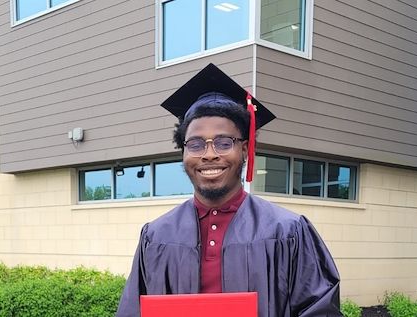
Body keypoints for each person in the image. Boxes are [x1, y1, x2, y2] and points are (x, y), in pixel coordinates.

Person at [116, 64, 341, 316]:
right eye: (196, 144)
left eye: (224, 143)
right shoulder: (156, 236)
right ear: (184, 153)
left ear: (244, 150)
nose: (210, 154)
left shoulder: (288, 231)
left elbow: (320, 310)